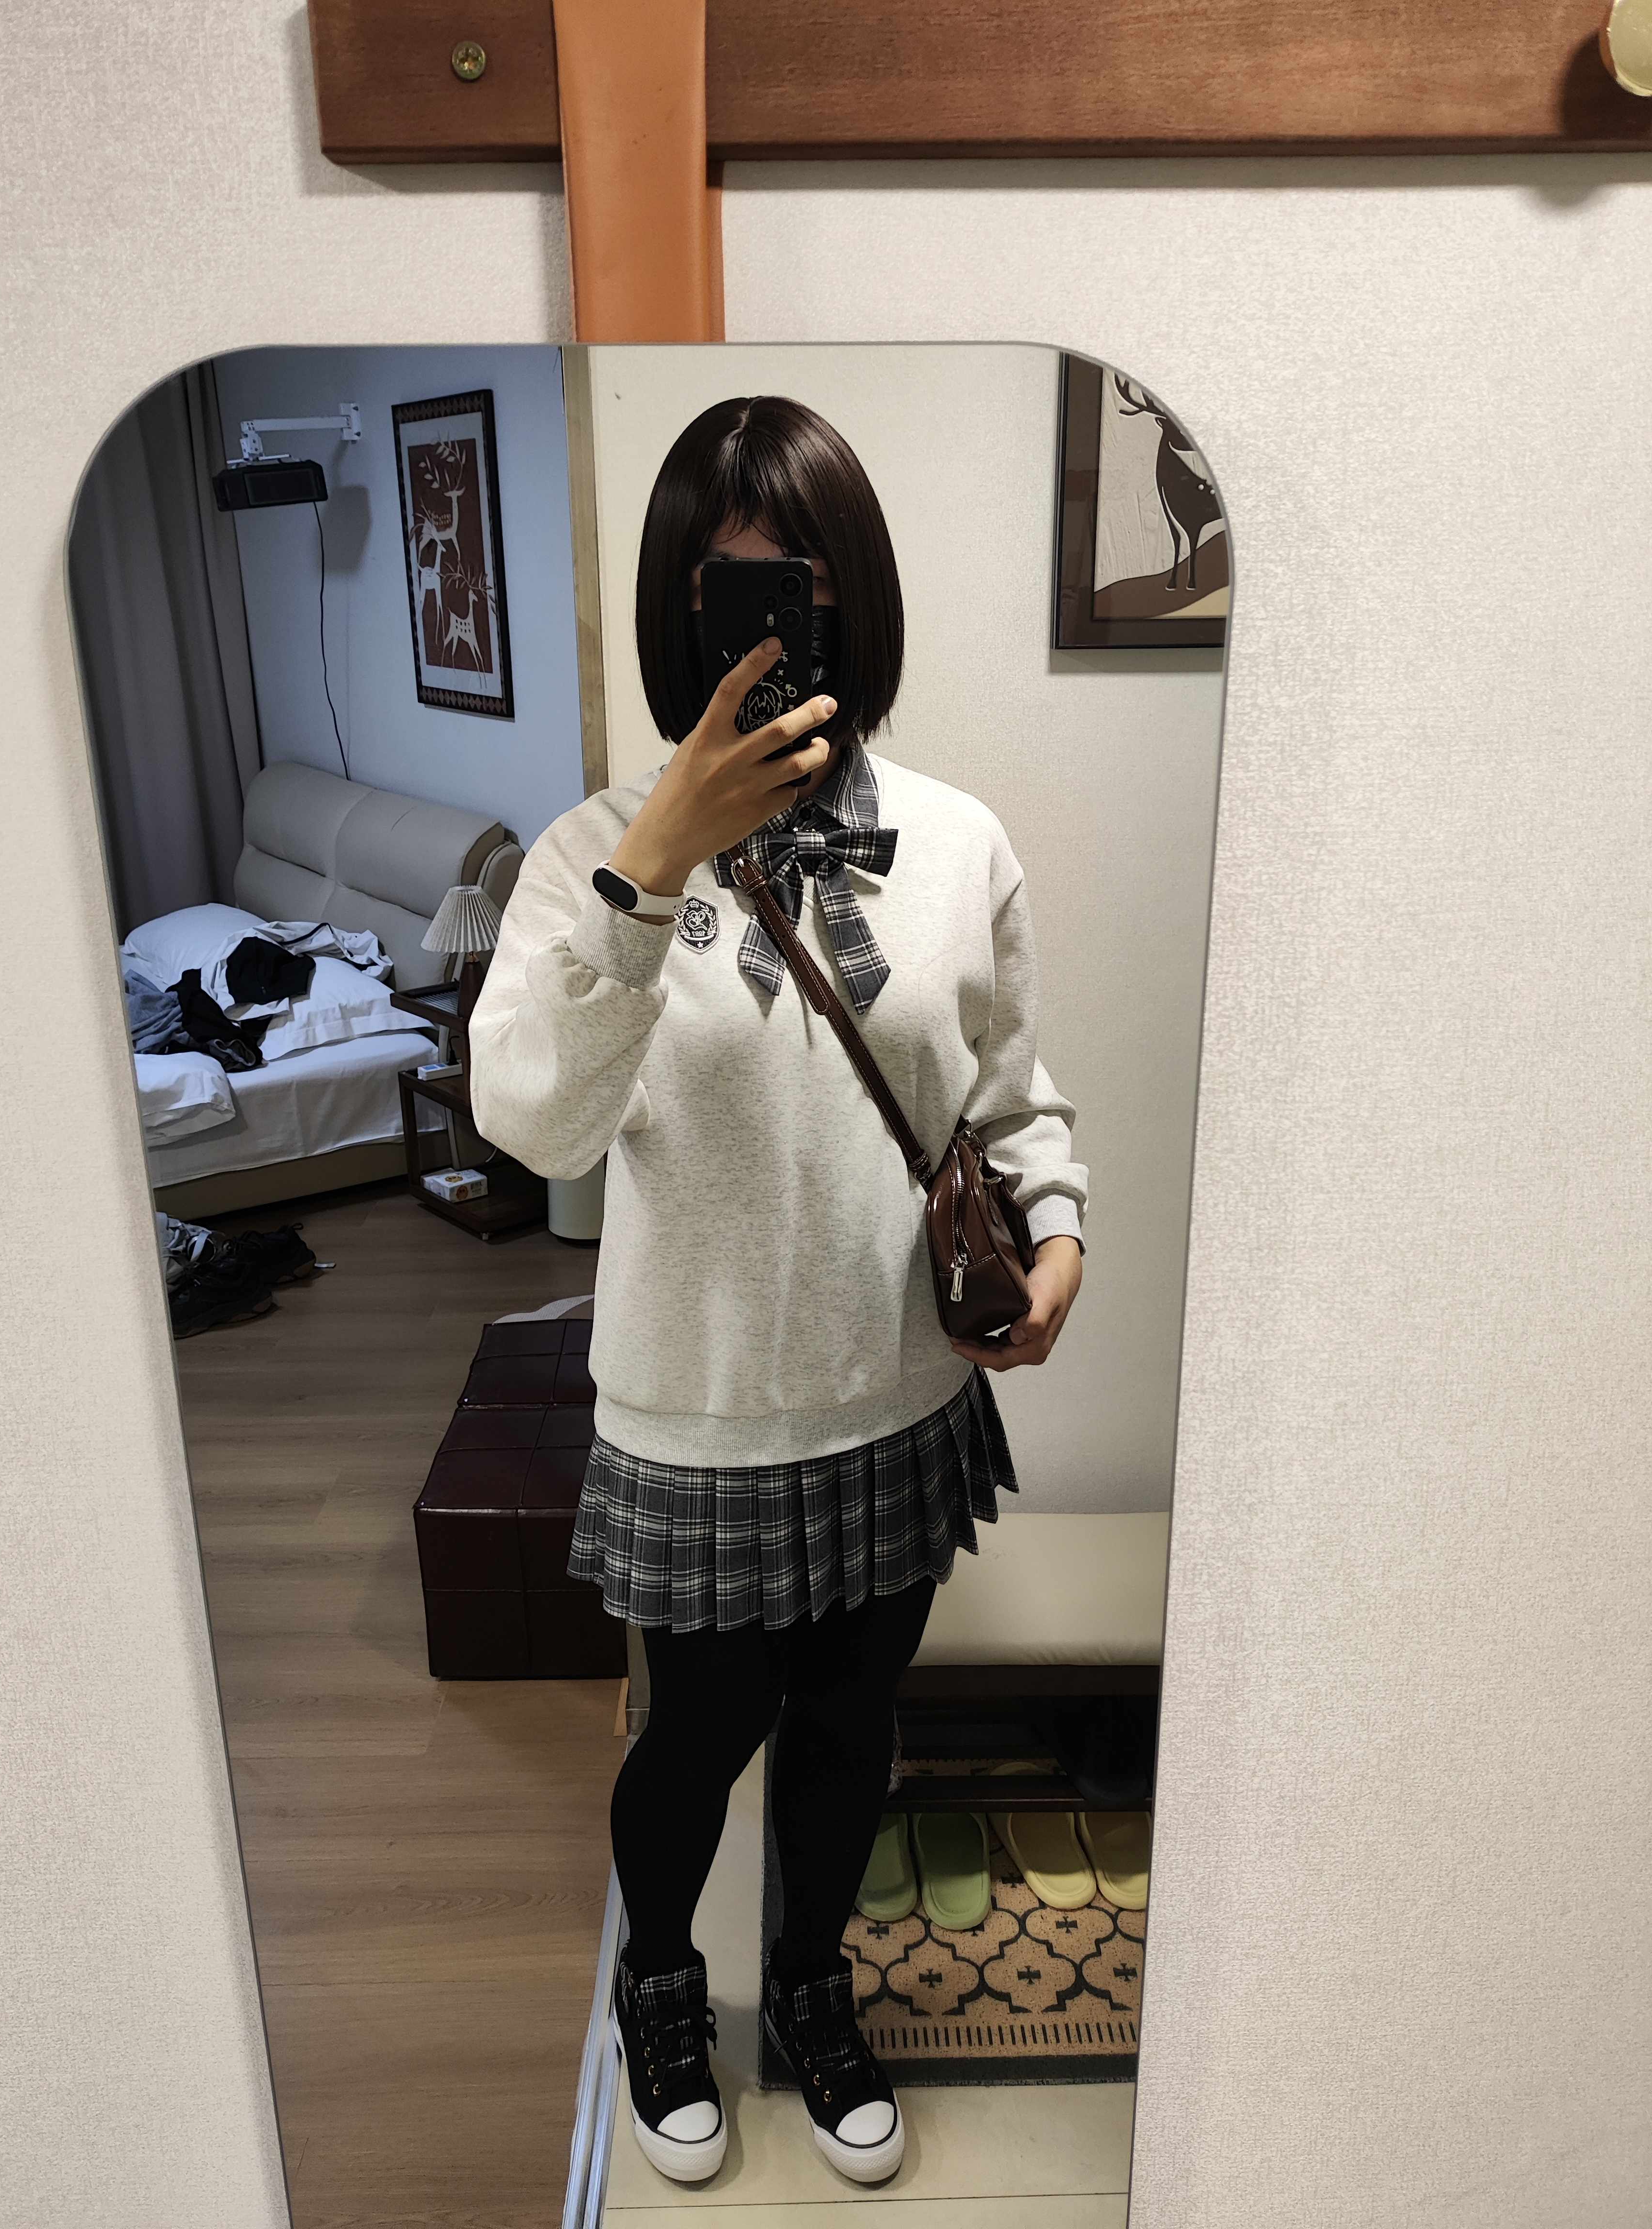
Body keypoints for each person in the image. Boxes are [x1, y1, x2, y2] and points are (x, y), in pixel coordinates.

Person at [469, 395, 1088, 2187]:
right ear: (676, 613)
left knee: (848, 1728)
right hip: (696, 1413)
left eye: (795, 585)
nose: (759, 626)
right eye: (720, 591)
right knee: (695, 1739)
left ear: (852, 598)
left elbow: (1007, 1100)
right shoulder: (587, 856)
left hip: (898, 1397)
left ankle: (813, 1982)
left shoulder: (959, 840)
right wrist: (650, 869)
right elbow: (537, 1128)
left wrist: (1058, 1234)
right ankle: (662, 1981)